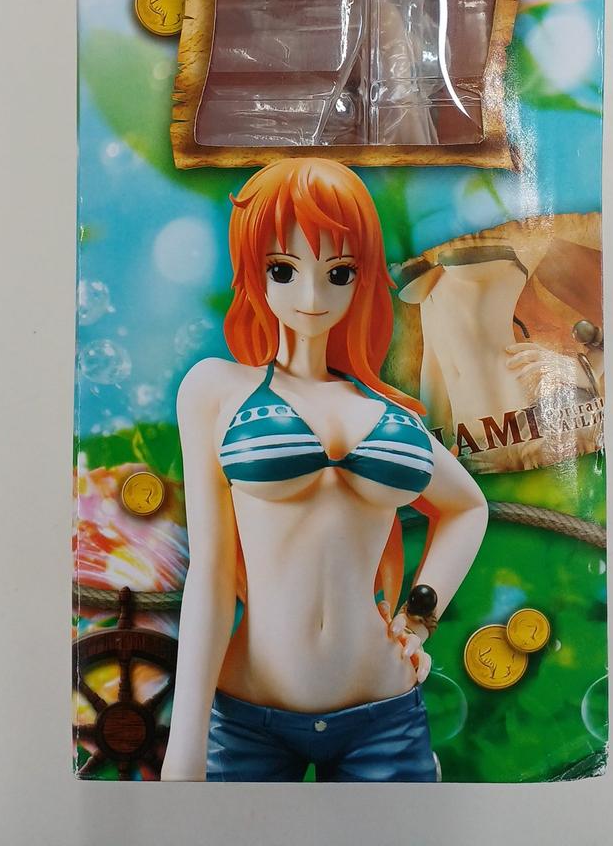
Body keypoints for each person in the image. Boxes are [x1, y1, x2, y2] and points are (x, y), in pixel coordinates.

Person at [161, 158, 488, 782]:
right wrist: (185, 744)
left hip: (383, 715)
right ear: (252, 271)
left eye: (338, 273)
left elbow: (468, 506)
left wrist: (419, 615)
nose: (311, 297)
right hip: (250, 716)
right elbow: (210, 574)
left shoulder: (387, 414)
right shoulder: (216, 389)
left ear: (361, 278)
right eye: (283, 270)